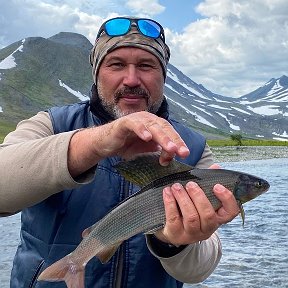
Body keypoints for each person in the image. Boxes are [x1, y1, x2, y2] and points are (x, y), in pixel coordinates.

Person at [0, 16, 240, 288]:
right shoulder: (51, 125)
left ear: (164, 76)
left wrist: (174, 243)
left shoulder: (192, 147)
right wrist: (95, 143)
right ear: (97, 73)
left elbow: (199, 270)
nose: (131, 79)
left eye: (146, 65)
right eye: (116, 64)